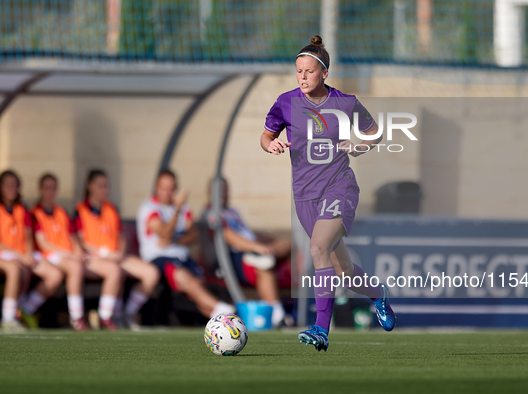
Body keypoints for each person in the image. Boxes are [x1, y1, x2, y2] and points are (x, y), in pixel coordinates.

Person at [260, 35, 396, 351]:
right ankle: (379, 294)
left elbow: (374, 131)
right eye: (298, 71)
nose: (303, 77)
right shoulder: (286, 102)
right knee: (344, 271)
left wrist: (360, 145)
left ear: (323, 73)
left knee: (317, 248)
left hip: (339, 186)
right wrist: (272, 145)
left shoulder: (344, 103)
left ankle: (321, 329)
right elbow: (266, 137)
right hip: (304, 196)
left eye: (309, 71)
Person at [136, 169, 234, 320]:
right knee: (186, 279)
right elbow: (165, 233)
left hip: (182, 256)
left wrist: (175, 240)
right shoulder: (150, 207)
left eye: (171, 188)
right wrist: (176, 211)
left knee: (198, 284)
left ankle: (219, 318)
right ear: (157, 188)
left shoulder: (183, 208)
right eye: (164, 188)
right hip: (159, 259)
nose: (168, 193)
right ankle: (223, 310)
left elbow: (194, 236)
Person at [75, 169, 160, 330]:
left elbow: (120, 236)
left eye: (106, 186)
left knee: (151, 273)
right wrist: (105, 254)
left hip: (115, 256)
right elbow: (81, 241)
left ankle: (127, 314)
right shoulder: (80, 210)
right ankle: (106, 317)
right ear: (90, 186)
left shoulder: (111, 209)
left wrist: (119, 252)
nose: (104, 190)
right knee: (114, 271)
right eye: (100, 186)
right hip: (94, 258)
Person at [200, 177, 290, 327]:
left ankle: (270, 254)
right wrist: (256, 247)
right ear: (210, 193)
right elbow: (228, 236)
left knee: (286, 244)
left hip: (254, 250)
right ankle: (278, 316)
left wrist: (269, 242)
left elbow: (248, 233)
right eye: (219, 190)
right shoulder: (210, 213)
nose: (223, 194)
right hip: (233, 260)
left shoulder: (233, 211)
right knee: (264, 263)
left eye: (225, 189)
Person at [0, 170, 64, 331]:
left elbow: (28, 236)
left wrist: (27, 253)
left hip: (21, 254)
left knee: (55, 274)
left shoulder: (22, 209)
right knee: (15, 269)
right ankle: (8, 319)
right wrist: (19, 255)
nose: (11, 188)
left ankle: (25, 310)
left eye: (15, 185)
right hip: (6, 254)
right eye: (8, 185)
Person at [32, 173, 89, 330]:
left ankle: (24, 310)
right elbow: (43, 244)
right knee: (74, 267)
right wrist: (70, 254)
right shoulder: (35, 213)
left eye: (54, 188)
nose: (50, 192)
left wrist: (77, 252)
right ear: (41, 190)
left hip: (65, 255)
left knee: (78, 264)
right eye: (47, 188)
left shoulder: (61, 212)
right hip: (47, 255)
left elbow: (72, 237)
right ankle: (77, 317)